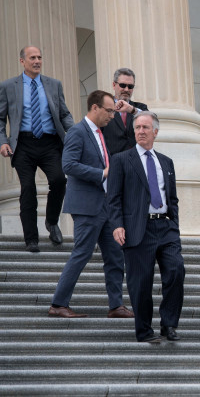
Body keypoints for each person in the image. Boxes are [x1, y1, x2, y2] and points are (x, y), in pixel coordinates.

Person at [49, 90, 132, 319]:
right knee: (82, 253)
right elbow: (68, 165)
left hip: (105, 206)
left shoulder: (100, 133)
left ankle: (116, 306)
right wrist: (102, 173)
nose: (112, 116)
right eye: (109, 111)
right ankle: (58, 303)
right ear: (95, 107)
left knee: (116, 256)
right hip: (86, 206)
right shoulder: (77, 131)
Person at [108, 111, 186, 343]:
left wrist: (175, 225)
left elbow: (172, 198)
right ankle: (144, 331)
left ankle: (169, 324)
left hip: (165, 227)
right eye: (137, 127)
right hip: (137, 229)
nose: (141, 131)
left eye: (145, 127)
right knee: (140, 283)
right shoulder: (122, 159)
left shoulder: (166, 162)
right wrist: (117, 225)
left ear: (155, 132)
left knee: (176, 270)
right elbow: (113, 198)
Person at [0, 46, 74, 252]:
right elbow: (0, 118)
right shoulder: (8, 86)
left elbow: (64, 114)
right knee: (28, 189)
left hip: (50, 143)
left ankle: (51, 222)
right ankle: (31, 238)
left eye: (40, 57)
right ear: (22, 61)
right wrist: (2, 141)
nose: (37, 61)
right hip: (23, 144)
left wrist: (76, 134)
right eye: (32, 58)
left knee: (59, 180)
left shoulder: (53, 85)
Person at [101, 68, 149, 155]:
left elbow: (151, 121)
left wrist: (131, 110)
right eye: (123, 85)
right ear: (114, 85)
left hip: (137, 160)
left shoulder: (140, 107)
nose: (126, 89)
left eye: (130, 86)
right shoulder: (103, 107)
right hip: (113, 162)